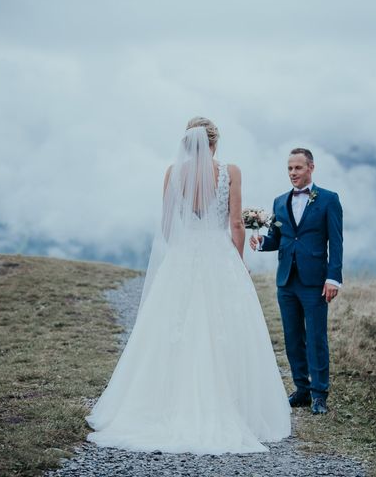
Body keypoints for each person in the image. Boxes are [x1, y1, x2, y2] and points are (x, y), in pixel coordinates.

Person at [85, 117, 291, 454]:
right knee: (225, 329)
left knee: (170, 329)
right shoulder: (230, 172)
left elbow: (166, 226)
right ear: (215, 142)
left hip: (182, 257)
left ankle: (160, 406)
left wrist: (183, 247)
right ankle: (232, 408)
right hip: (218, 255)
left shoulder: (172, 173)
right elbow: (236, 223)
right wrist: (237, 262)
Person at [250, 148, 343, 415]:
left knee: (316, 337)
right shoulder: (280, 202)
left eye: (298, 168)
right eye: (289, 168)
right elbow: (278, 240)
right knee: (292, 338)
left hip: (315, 280)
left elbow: (336, 242)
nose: (293, 173)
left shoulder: (328, 200)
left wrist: (333, 278)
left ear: (311, 168)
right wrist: (260, 243)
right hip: (286, 280)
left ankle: (319, 394)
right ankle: (301, 389)